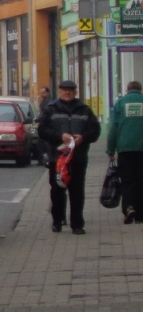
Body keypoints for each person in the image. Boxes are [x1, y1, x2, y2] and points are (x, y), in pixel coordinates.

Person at [36, 80, 101, 234]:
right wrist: (60, 136)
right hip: (57, 158)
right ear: (60, 91)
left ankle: (77, 224)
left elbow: (95, 130)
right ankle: (57, 220)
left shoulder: (84, 110)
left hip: (78, 157)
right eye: (65, 90)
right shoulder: (51, 109)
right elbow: (42, 130)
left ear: (75, 92)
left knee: (77, 191)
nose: (67, 93)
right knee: (57, 190)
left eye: (70, 90)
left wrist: (83, 138)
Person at [107, 80, 143, 224]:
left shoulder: (120, 103)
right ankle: (140, 215)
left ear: (127, 90)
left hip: (124, 150)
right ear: (140, 90)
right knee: (141, 180)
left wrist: (110, 149)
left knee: (127, 181)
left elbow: (113, 129)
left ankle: (128, 208)